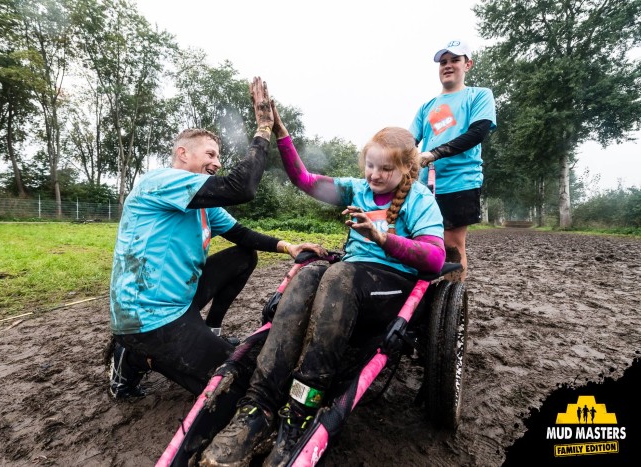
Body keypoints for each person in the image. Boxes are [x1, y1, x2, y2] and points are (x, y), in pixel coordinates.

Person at [200, 104, 445, 466]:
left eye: (385, 169)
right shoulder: (358, 189)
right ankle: (258, 407)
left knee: (339, 276)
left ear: (406, 169)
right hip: (347, 278)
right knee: (309, 274)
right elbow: (304, 180)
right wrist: (281, 132)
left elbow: (436, 259)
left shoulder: (420, 199)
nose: (374, 175)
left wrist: (382, 239)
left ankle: (300, 411)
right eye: (370, 165)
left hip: (392, 284)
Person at [108, 77, 326, 399]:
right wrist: (264, 127)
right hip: (147, 316)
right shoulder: (161, 182)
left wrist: (287, 246)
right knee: (236, 385)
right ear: (183, 154)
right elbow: (242, 187)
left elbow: (240, 234)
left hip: (179, 302)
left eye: (219, 156)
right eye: (210, 154)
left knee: (244, 256)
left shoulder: (202, 203)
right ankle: (134, 355)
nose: (218, 162)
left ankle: (210, 330)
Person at [409, 39, 497, 281]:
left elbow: (477, 132)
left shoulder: (479, 95)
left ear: (468, 64)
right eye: (443, 62)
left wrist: (434, 153)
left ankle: (452, 296)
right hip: (426, 185)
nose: (447, 65)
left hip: (461, 181)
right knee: (418, 241)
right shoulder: (427, 107)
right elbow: (408, 141)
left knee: (452, 245)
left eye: (455, 60)